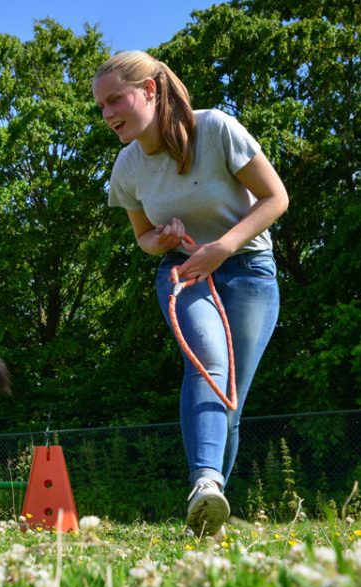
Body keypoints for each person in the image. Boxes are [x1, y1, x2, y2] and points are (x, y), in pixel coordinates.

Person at [92, 51, 289, 538]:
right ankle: (203, 482)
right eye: (101, 106)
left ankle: (211, 507)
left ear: (151, 91)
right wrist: (158, 241)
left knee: (232, 399)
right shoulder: (127, 167)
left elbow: (276, 198)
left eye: (116, 99)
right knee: (207, 361)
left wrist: (222, 248)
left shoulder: (216, 129)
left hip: (248, 269)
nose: (108, 114)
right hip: (182, 272)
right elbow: (143, 238)